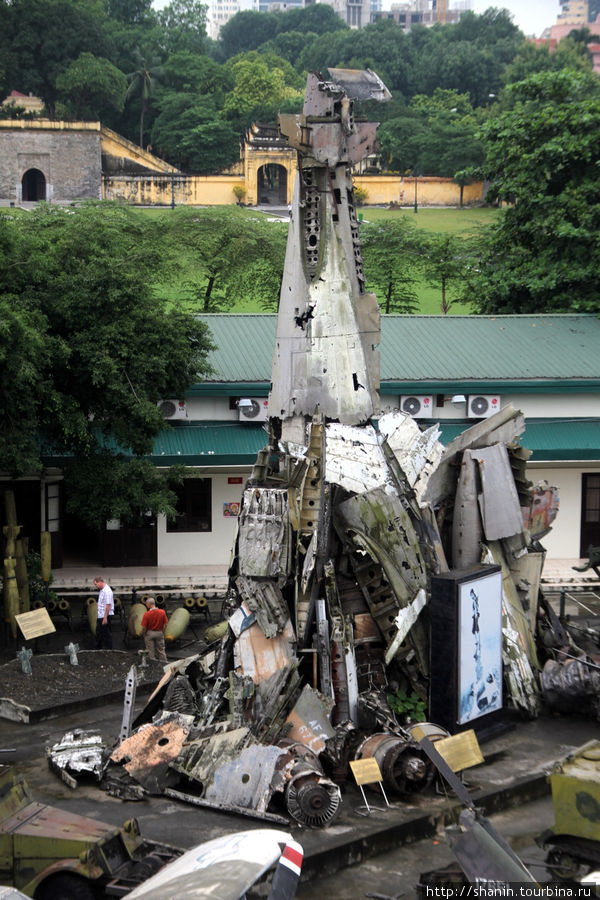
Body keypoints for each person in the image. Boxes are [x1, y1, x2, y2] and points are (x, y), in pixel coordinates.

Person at [141, 597, 168, 663]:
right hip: (159, 632)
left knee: (150, 651)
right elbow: (165, 624)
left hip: (150, 633)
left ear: (148, 604)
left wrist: (144, 634)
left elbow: (144, 627)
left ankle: (152, 664)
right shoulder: (162, 612)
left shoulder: (147, 614)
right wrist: (162, 632)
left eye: (146, 604)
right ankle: (164, 664)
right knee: (161, 650)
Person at [94, 576, 114, 649]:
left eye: (96, 584)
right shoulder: (102, 590)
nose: (95, 586)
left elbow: (108, 605)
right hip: (101, 614)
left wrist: (105, 617)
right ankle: (100, 647)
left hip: (104, 615)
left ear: (100, 582)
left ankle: (107, 648)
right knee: (100, 632)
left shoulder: (107, 591)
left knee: (105, 633)